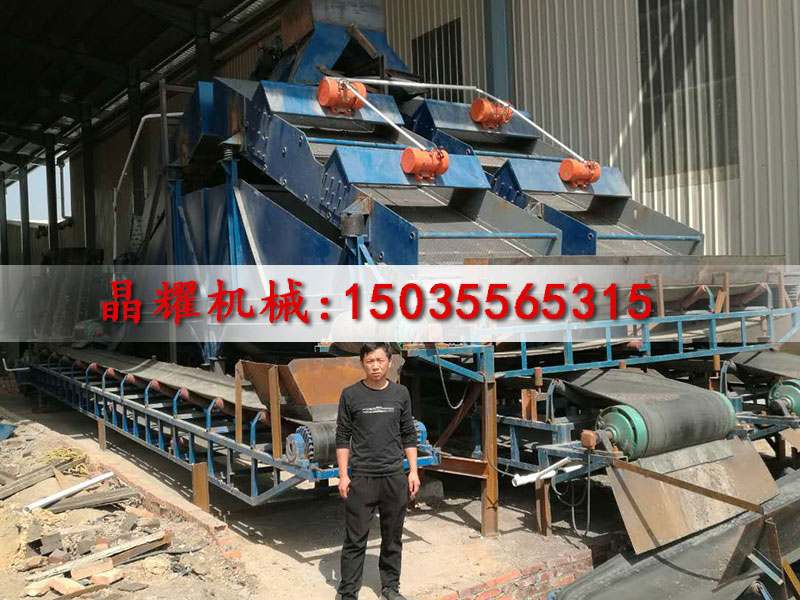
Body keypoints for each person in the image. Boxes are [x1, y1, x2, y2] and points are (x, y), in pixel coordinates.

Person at [335, 342, 420, 600]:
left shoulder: (400, 393)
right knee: (355, 538)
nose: (375, 366)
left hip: (394, 475)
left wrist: (413, 471)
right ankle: (348, 592)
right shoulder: (350, 395)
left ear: (389, 362)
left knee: (393, 536)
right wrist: (343, 475)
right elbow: (342, 436)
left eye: (380, 360)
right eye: (370, 361)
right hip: (362, 477)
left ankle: (390, 588)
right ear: (362, 363)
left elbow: (408, 433)